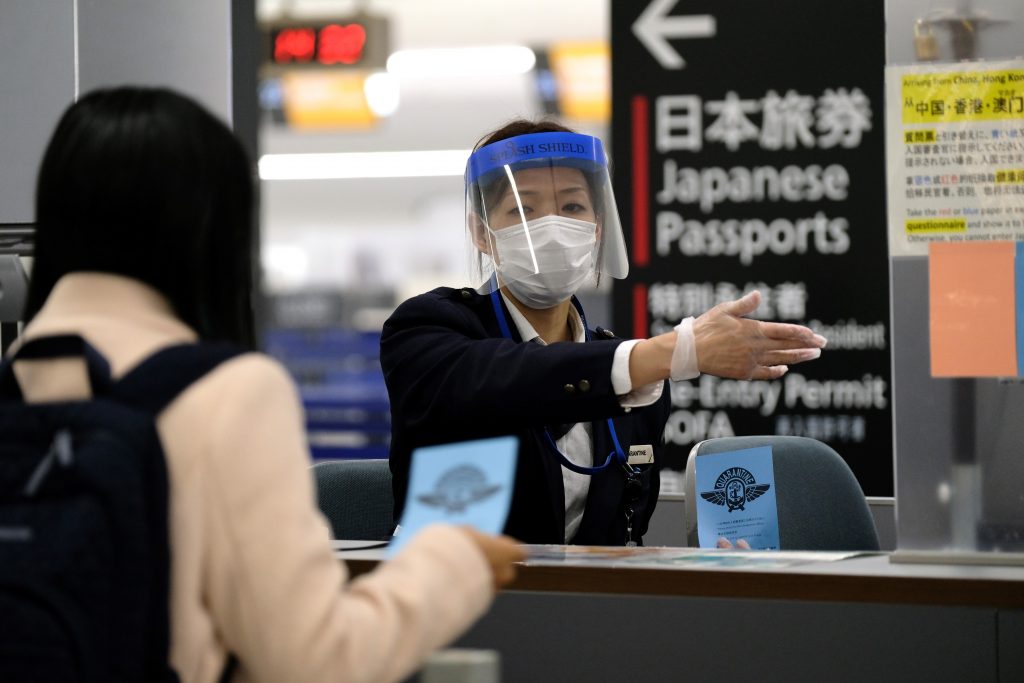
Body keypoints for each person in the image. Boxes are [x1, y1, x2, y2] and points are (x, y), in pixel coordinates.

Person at [18, 86, 524, 683]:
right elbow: (315, 661)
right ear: (214, 228)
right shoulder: (225, 392)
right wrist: (450, 561)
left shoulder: (20, 376)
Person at [381, 119, 827, 546]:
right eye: (523, 209)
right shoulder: (428, 330)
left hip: (588, 613)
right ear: (482, 233)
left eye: (573, 206)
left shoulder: (637, 374)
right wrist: (674, 351)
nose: (550, 229)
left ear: (597, 227)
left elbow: (624, 534)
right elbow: (505, 379)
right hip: (459, 605)